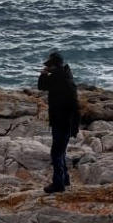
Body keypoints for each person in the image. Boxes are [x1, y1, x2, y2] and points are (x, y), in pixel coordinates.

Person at [37, 51, 80, 193]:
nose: (48, 67)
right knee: (60, 151)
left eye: (50, 65)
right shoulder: (66, 75)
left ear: (54, 66)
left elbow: (41, 86)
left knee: (56, 153)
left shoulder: (57, 78)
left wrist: (43, 74)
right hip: (66, 121)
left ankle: (58, 184)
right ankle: (65, 179)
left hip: (61, 121)